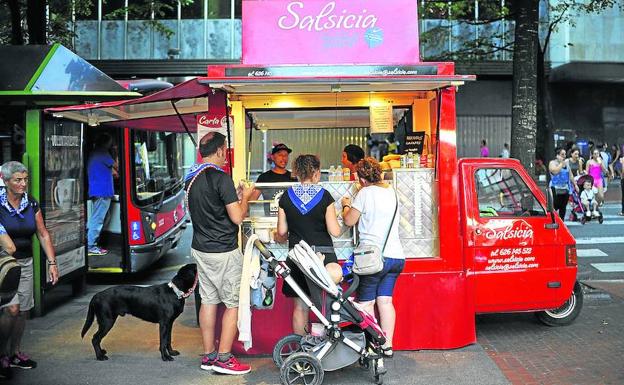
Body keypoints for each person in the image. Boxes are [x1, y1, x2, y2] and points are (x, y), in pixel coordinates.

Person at [186, 132, 253, 375]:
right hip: (224, 250)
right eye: (225, 150)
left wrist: (232, 196)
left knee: (209, 300)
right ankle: (224, 357)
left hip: (201, 249)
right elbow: (236, 218)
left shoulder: (191, 177)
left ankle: (209, 355)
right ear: (221, 150)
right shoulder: (221, 178)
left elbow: (211, 206)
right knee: (232, 303)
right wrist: (244, 197)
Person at [341, 157, 404, 358]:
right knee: (385, 301)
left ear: (361, 178)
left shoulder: (365, 193)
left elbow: (350, 221)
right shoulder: (392, 192)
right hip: (395, 257)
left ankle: (371, 346)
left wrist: (345, 206)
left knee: (366, 304)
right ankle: (388, 345)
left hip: (372, 259)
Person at [0, 161, 58, 377]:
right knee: (11, 309)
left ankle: (14, 353)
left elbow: (42, 233)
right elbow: (7, 245)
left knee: (23, 311)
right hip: (4, 264)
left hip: (25, 262)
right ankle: (2, 354)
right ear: (6, 181)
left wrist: (52, 263)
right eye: (18, 180)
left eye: (25, 179)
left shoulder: (30, 202)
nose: (23, 184)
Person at [276, 154, 342, 335]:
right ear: (316, 173)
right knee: (328, 303)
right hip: (324, 257)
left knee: (300, 306)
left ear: (296, 172)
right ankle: (329, 345)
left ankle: (301, 350)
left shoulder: (286, 197)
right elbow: (335, 231)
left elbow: (282, 232)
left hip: (298, 257)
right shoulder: (325, 196)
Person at [86, 133, 117, 256]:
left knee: (104, 217)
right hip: (102, 192)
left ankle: (91, 239)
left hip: (98, 191)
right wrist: (115, 151)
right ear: (106, 143)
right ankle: (91, 245)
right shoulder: (102, 152)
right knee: (98, 219)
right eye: (111, 142)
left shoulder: (95, 153)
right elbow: (116, 166)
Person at [250, 143, 296, 214]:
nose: (283, 158)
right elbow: (252, 200)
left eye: (286, 155)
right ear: (272, 157)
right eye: (280, 155)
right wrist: (245, 192)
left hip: (289, 220)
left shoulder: (293, 177)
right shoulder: (264, 177)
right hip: (270, 221)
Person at [548, 148, 574, 219]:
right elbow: (554, 171)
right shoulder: (552, 163)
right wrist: (561, 164)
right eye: (562, 154)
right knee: (555, 205)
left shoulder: (566, 164)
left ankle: (562, 221)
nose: (564, 156)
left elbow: (570, 175)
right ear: (557, 155)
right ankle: (552, 219)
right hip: (555, 187)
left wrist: (575, 185)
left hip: (565, 187)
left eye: (565, 154)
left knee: (563, 206)